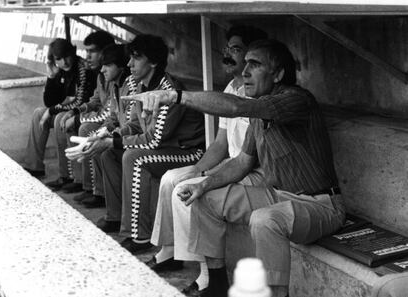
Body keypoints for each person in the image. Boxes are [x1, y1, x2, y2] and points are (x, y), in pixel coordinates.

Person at [123, 39, 346, 297]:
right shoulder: (259, 112)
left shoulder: (296, 100)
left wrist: (175, 96)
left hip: (320, 204)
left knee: (265, 220)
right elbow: (241, 162)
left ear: (279, 74)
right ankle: (217, 282)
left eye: (255, 64)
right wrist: (203, 183)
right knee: (202, 198)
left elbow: (237, 106)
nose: (245, 72)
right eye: (246, 64)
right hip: (278, 196)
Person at [149, 25, 267, 297]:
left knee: (186, 191)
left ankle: (206, 277)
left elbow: (246, 159)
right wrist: (198, 168)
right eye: (227, 49)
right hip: (231, 163)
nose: (228, 55)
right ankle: (169, 250)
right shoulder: (231, 86)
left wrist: (205, 177)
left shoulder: (259, 94)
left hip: (249, 170)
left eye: (236, 50)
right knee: (171, 178)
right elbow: (220, 144)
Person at [79, 34, 206, 254]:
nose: (129, 64)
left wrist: (114, 142)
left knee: (134, 157)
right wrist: (110, 136)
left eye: (136, 58)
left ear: (154, 62)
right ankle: (117, 218)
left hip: (188, 152)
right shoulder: (140, 86)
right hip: (164, 148)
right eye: (130, 58)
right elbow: (135, 126)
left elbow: (154, 139)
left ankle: (140, 236)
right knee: (108, 154)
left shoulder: (169, 90)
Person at [23, 38, 96, 191]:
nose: (64, 61)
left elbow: (80, 102)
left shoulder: (83, 69)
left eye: (66, 56)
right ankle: (34, 166)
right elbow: (49, 102)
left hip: (85, 111)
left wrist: (51, 111)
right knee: (38, 113)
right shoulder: (60, 70)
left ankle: (68, 176)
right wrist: (51, 77)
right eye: (58, 59)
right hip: (66, 110)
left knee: (59, 119)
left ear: (73, 52)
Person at [57, 31, 116, 198]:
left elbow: (110, 112)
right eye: (86, 51)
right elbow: (94, 101)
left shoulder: (118, 75)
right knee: (63, 119)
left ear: (105, 52)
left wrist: (77, 119)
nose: (87, 56)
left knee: (86, 128)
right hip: (106, 120)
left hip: (115, 124)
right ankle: (75, 179)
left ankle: (95, 190)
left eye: (92, 51)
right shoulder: (100, 75)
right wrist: (74, 111)